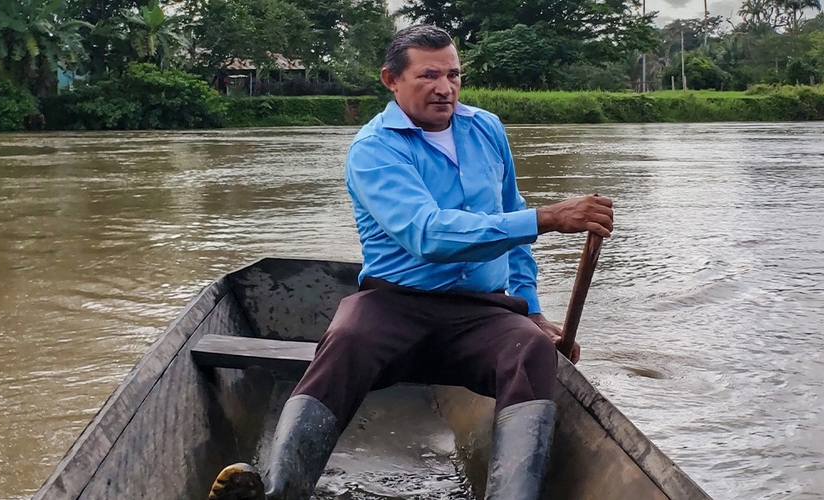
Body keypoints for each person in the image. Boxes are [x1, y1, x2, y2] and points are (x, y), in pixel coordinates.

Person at [209, 24, 614, 500]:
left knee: (532, 352)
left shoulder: (486, 129)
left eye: (453, 75)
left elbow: (512, 229)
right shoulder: (374, 149)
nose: (445, 88)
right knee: (345, 338)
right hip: (393, 303)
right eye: (428, 76)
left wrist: (531, 308)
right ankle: (281, 488)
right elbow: (428, 234)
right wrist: (548, 217)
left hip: (484, 310)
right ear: (391, 80)